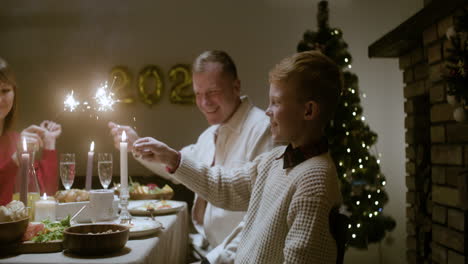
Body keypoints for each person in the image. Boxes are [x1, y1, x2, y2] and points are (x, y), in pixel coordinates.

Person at [132, 50, 344, 263]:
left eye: (276, 102)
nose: (268, 111)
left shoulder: (315, 180)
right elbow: (225, 187)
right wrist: (172, 159)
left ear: (308, 111)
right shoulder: (276, 159)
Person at [108, 50, 274, 262]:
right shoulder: (209, 135)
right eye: (197, 93)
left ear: (236, 86)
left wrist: (214, 260)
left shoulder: (262, 129)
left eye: (212, 92)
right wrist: (135, 145)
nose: (204, 102)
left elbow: (262, 217)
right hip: (203, 245)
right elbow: (177, 168)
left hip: (237, 256)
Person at [0, 57, 62, 205]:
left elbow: (46, 194)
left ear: (14, 93)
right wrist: (14, 161)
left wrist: (49, 143)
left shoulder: (16, 140)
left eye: (5, 90)